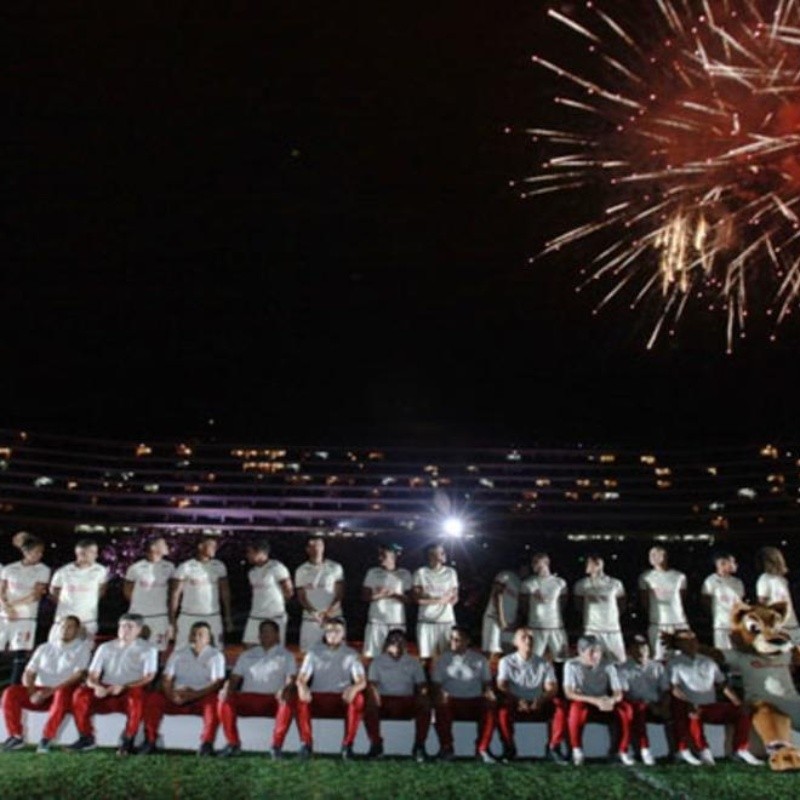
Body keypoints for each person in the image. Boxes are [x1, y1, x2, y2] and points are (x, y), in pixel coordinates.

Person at [667, 629, 762, 766]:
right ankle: (703, 751)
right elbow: (673, 688)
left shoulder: (708, 661)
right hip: (690, 707)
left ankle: (740, 749)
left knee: (742, 712)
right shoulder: (674, 663)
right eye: (686, 641)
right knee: (693, 714)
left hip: (710, 705)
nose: (691, 643)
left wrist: (737, 702)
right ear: (679, 644)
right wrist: (689, 703)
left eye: (693, 639)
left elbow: (722, 684)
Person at [69, 613, 158, 755]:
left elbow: (149, 677)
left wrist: (124, 686)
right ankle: (85, 737)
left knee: (135, 697)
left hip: (130, 688)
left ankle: (127, 740)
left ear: (139, 630)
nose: (125, 630)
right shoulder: (105, 647)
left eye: (130, 626)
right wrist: (96, 686)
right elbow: (92, 674)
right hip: (106, 687)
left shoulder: (148, 649)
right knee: (80, 694)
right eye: (122, 626)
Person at [1, 615, 90, 753]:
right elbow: (29, 672)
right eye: (62, 626)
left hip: (62, 692)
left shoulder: (82, 649)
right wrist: (31, 693)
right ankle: (16, 736)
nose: (65, 629)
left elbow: (78, 675)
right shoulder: (44, 647)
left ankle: (46, 738)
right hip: (39, 691)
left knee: (62, 693)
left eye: (70, 627)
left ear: (77, 630)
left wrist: (50, 691)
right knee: (10, 692)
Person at [140, 621, 226, 756]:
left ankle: (206, 744)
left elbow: (217, 683)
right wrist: (171, 695)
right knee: (154, 699)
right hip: (178, 696)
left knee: (213, 702)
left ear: (209, 638)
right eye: (194, 634)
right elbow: (166, 678)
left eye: (201, 634)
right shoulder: (178, 654)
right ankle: (149, 741)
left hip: (200, 696)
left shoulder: (216, 656)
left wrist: (194, 695)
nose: (196, 637)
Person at [216, 619, 299, 758]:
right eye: (263, 632)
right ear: (259, 636)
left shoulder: (287, 656)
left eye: (270, 631)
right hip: (248, 698)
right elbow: (234, 678)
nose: (266, 634)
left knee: (288, 699)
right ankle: (233, 743)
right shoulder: (247, 654)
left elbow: (291, 680)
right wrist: (227, 688)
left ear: (278, 635)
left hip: (273, 699)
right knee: (223, 699)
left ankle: (276, 746)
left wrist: (285, 688)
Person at [296, 617, 366, 759]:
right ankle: (306, 744)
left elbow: (362, 681)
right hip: (319, 697)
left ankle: (348, 745)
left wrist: (353, 688)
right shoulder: (313, 652)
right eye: (329, 631)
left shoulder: (351, 654)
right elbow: (301, 678)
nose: (333, 634)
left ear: (343, 634)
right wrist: (302, 686)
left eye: (337, 631)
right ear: (324, 633)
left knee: (358, 698)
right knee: (300, 697)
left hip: (341, 698)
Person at [496, 627, 568, 763]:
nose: (528, 640)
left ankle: (554, 747)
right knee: (502, 711)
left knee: (560, 707)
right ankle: (509, 748)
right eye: (523, 637)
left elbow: (552, 688)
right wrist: (517, 700)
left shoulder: (544, 663)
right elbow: (501, 685)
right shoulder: (505, 661)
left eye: (531, 638)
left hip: (539, 703)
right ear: (515, 642)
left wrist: (540, 700)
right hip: (516, 703)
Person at [563, 635, 633, 766]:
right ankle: (576, 749)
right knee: (576, 710)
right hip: (586, 702)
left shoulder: (608, 666)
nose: (596, 656)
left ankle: (621, 750)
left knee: (625, 709)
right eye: (591, 652)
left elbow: (618, 692)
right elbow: (569, 693)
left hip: (604, 703)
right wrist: (595, 700)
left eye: (598, 651)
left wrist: (611, 700)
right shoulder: (571, 665)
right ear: (581, 652)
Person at [431, 625, 497, 763]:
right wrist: (440, 693)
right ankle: (447, 748)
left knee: (490, 705)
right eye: (452, 639)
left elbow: (487, 683)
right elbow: (436, 684)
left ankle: (482, 749)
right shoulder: (442, 659)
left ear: (467, 641)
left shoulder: (480, 660)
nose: (453, 642)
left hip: (474, 701)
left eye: (457, 639)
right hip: (451, 701)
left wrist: (489, 692)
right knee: (440, 705)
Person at [364, 628, 430, 761]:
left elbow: (422, 685)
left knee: (425, 705)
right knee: (370, 705)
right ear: (387, 643)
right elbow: (372, 684)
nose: (397, 643)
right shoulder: (377, 662)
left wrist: (423, 695)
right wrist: (374, 697)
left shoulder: (413, 662)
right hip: (384, 700)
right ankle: (376, 745)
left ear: (406, 644)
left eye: (400, 640)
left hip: (407, 700)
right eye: (393, 640)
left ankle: (419, 746)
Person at [1, 534, 51, 683]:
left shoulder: (43, 570)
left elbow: (35, 595)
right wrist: (5, 607)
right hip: (4, 615)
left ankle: (13, 687)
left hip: (25, 617)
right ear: (25, 552)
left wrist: (12, 606)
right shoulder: (10, 568)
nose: (39, 555)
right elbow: (1, 590)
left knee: (20, 653)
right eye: (36, 552)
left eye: (41, 552)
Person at [616, 634, 669, 766]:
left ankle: (681, 750)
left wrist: (663, 706)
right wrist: (646, 703)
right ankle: (645, 749)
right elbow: (624, 694)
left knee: (679, 709)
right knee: (637, 710)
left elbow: (666, 691)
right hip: (636, 704)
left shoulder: (657, 667)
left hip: (657, 704)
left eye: (644, 647)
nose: (641, 651)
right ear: (629, 650)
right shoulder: (623, 669)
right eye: (636, 648)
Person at [171, 534, 233, 649]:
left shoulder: (219, 566)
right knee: (181, 649)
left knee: (217, 649)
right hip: (188, 616)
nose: (214, 548)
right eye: (211, 545)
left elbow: (225, 593)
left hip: (212, 615)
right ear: (200, 546)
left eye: (215, 546)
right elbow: (175, 594)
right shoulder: (185, 567)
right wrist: (172, 620)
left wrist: (228, 617)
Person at [49, 539, 109, 643]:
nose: (95, 555)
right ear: (79, 553)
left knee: (84, 653)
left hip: (88, 621)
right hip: (63, 620)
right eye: (91, 552)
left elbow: (102, 591)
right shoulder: (63, 571)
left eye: (95, 552)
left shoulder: (101, 571)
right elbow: (53, 592)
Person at [123, 535, 175, 653]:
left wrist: (171, 621)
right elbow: (127, 591)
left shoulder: (170, 567)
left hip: (160, 616)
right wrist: (140, 604)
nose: (167, 547)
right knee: (135, 650)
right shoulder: (135, 568)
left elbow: (172, 592)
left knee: (158, 651)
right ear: (153, 548)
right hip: (139, 616)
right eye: (164, 544)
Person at [294, 535, 345, 652]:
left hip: (333, 619)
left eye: (319, 545)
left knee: (336, 654)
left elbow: (339, 594)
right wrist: (314, 613)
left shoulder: (335, 567)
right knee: (308, 655)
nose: (316, 549)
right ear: (307, 549)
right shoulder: (301, 570)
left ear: (323, 547)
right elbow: (301, 597)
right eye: (312, 546)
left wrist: (328, 613)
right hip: (310, 620)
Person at [362, 544, 413, 659]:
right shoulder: (372, 572)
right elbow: (365, 597)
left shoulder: (405, 574)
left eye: (384, 555)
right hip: (376, 622)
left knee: (397, 656)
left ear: (393, 557)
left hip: (397, 623)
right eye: (380, 555)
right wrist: (381, 594)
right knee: (373, 657)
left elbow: (410, 599)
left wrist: (393, 594)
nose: (380, 558)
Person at [573, 554, 626, 663]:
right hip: (592, 630)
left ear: (598, 565)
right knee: (591, 662)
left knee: (619, 662)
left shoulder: (615, 584)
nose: (586, 566)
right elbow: (579, 606)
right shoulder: (581, 584)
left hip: (612, 630)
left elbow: (622, 604)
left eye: (589, 563)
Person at [638, 546, 688, 660]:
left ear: (665, 556)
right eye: (651, 555)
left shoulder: (679, 576)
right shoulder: (646, 577)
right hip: (657, 624)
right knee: (658, 658)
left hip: (679, 622)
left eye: (657, 554)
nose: (653, 558)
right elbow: (645, 601)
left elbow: (682, 597)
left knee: (682, 657)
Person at [413, 544, 459, 665]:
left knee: (447, 657)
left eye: (444, 552)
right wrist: (440, 600)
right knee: (425, 658)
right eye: (441, 552)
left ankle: (443, 682)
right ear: (431, 556)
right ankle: (424, 682)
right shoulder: (420, 572)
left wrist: (449, 600)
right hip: (426, 621)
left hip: (446, 621)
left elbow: (454, 596)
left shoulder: (451, 572)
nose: (444, 555)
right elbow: (418, 599)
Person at [242, 540, 293, 647]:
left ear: (260, 552)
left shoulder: (276, 567)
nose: (247, 555)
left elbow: (289, 591)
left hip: (274, 616)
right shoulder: (252, 572)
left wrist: (278, 606)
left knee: (274, 648)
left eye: (250, 552)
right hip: (255, 615)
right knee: (249, 645)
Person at [520, 553, 568, 661]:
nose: (533, 565)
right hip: (536, 627)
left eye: (536, 562)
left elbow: (563, 603)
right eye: (533, 562)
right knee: (532, 660)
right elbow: (523, 605)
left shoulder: (560, 582)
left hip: (556, 627)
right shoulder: (528, 583)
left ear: (546, 563)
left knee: (562, 659)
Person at [701, 552, 745, 649]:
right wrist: (716, 615)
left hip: (736, 626)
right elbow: (706, 602)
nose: (735, 565)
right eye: (732, 562)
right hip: (721, 625)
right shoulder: (710, 581)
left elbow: (740, 602)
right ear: (721, 564)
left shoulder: (738, 582)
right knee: (723, 652)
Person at [756, 547, 800, 643]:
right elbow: (762, 605)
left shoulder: (782, 579)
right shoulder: (764, 579)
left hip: (792, 624)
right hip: (778, 627)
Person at [481, 562, 524, 657]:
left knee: (509, 650)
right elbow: (497, 595)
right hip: (494, 618)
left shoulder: (521, 583)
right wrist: (501, 618)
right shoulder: (505, 575)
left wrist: (516, 621)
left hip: (509, 622)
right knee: (491, 652)